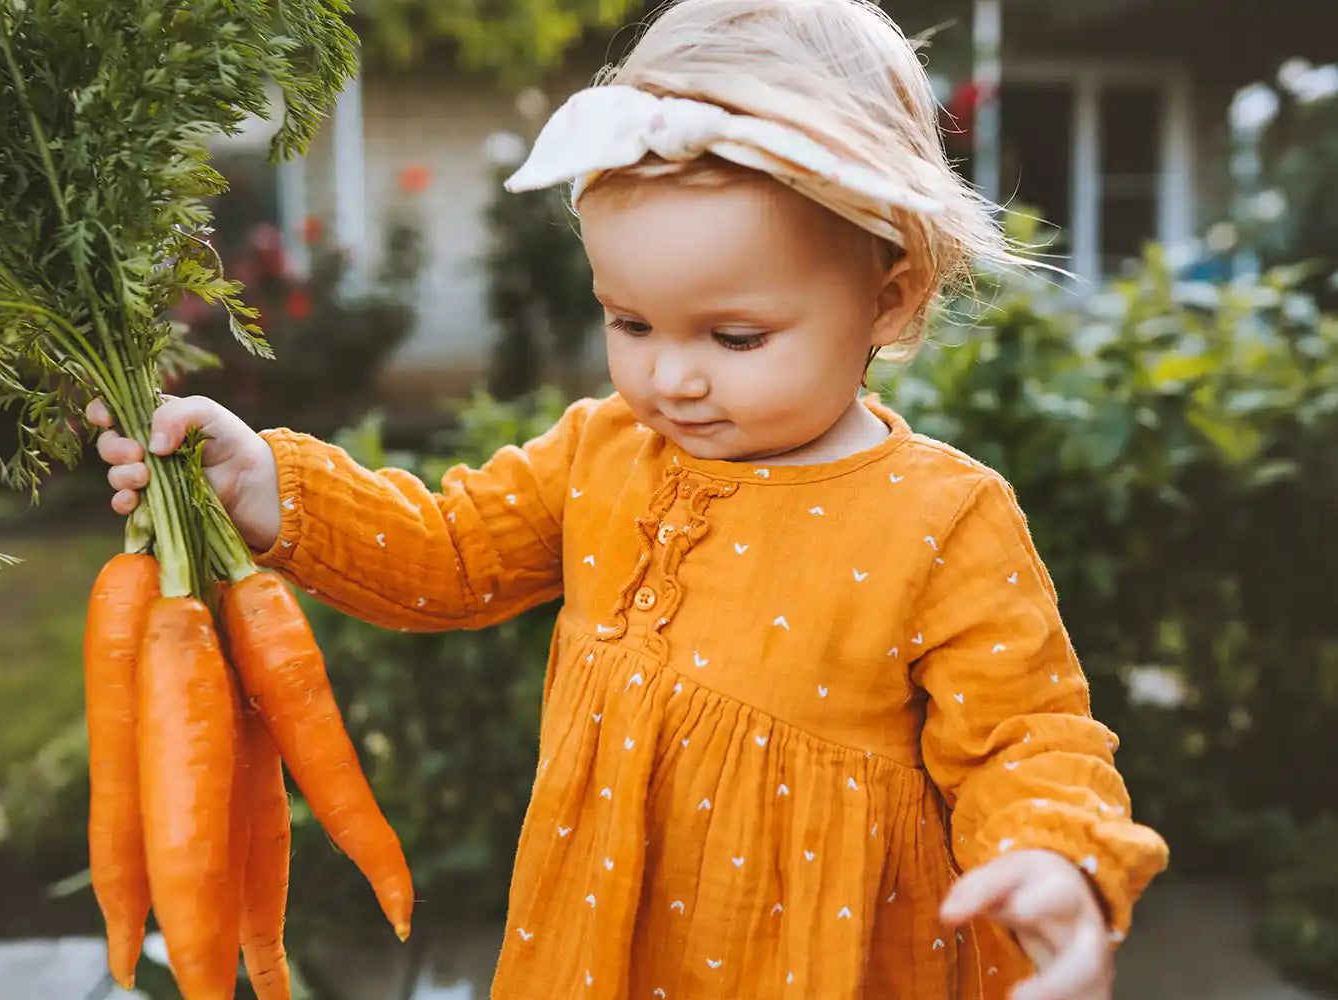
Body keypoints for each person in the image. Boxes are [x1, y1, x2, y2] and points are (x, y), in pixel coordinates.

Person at [89, 1, 1169, 996]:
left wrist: (1051, 858)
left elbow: (1026, 737)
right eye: (631, 322)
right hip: (596, 950)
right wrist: (267, 485)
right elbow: (451, 555)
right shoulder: (605, 450)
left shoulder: (942, 517)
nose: (670, 376)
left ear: (888, 297)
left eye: (734, 336)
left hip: (826, 964)